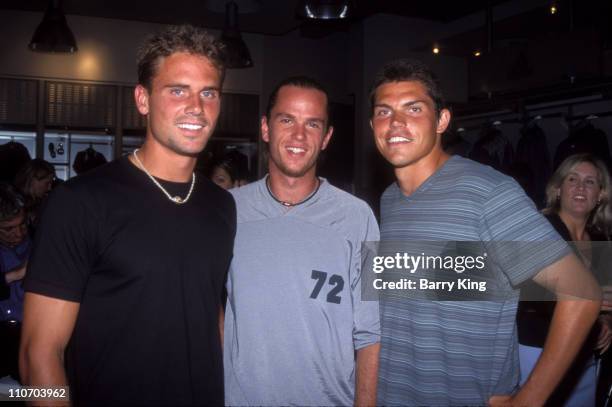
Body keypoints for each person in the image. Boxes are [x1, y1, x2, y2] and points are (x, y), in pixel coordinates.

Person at [19, 25, 235, 406]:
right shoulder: (80, 202)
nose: (196, 108)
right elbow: (36, 354)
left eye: (208, 93)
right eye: (177, 90)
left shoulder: (222, 205)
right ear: (142, 99)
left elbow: (209, 310)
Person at [369, 59, 601, 406]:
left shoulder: (487, 191)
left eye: (413, 108)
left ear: (442, 121)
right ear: (372, 124)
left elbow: (581, 292)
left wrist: (528, 400)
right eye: (384, 112)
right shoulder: (389, 199)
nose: (396, 122)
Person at [224, 76, 380, 406]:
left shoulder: (359, 218)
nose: (298, 135)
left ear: (327, 137)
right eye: (287, 120)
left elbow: (371, 333)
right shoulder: (226, 211)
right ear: (266, 128)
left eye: (312, 124)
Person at [518, 153, 612, 406]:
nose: (581, 187)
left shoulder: (601, 240)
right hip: (536, 351)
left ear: (600, 195)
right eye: (573, 179)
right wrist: (585, 300)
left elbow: (603, 298)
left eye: (590, 182)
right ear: (558, 189)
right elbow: (522, 290)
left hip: (583, 355)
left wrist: (604, 319)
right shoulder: (540, 230)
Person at [0, 183, 30, 380]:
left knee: (50, 394)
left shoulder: (37, 240)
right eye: (8, 229)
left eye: (22, 225)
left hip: (29, 336)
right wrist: (15, 274)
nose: (18, 233)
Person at [13, 158, 55, 230]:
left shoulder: (42, 201)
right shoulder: (13, 203)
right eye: (47, 183)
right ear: (33, 181)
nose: (49, 188)